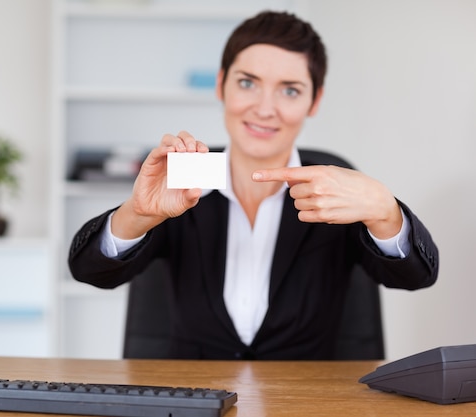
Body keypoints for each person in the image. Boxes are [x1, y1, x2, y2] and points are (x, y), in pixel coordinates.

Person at [68, 10, 439, 360]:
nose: (264, 108)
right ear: (221, 85)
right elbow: (90, 272)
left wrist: (386, 212)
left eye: (289, 90)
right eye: (248, 83)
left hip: (304, 400)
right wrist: (136, 214)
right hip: (195, 396)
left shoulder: (331, 188)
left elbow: (414, 278)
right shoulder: (184, 178)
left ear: (315, 100)